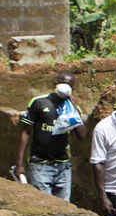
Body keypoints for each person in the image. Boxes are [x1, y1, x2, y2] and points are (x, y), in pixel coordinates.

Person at [14, 72, 87, 201]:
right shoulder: (39, 102)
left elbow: (82, 136)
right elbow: (26, 132)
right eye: (62, 83)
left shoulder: (72, 109)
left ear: (72, 89)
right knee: (44, 203)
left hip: (62, 166)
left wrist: (74, 108)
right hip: (40, 164)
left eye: (68, 84)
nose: (64, 86)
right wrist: (19, 164)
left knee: (64, 207)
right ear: (55, 85)